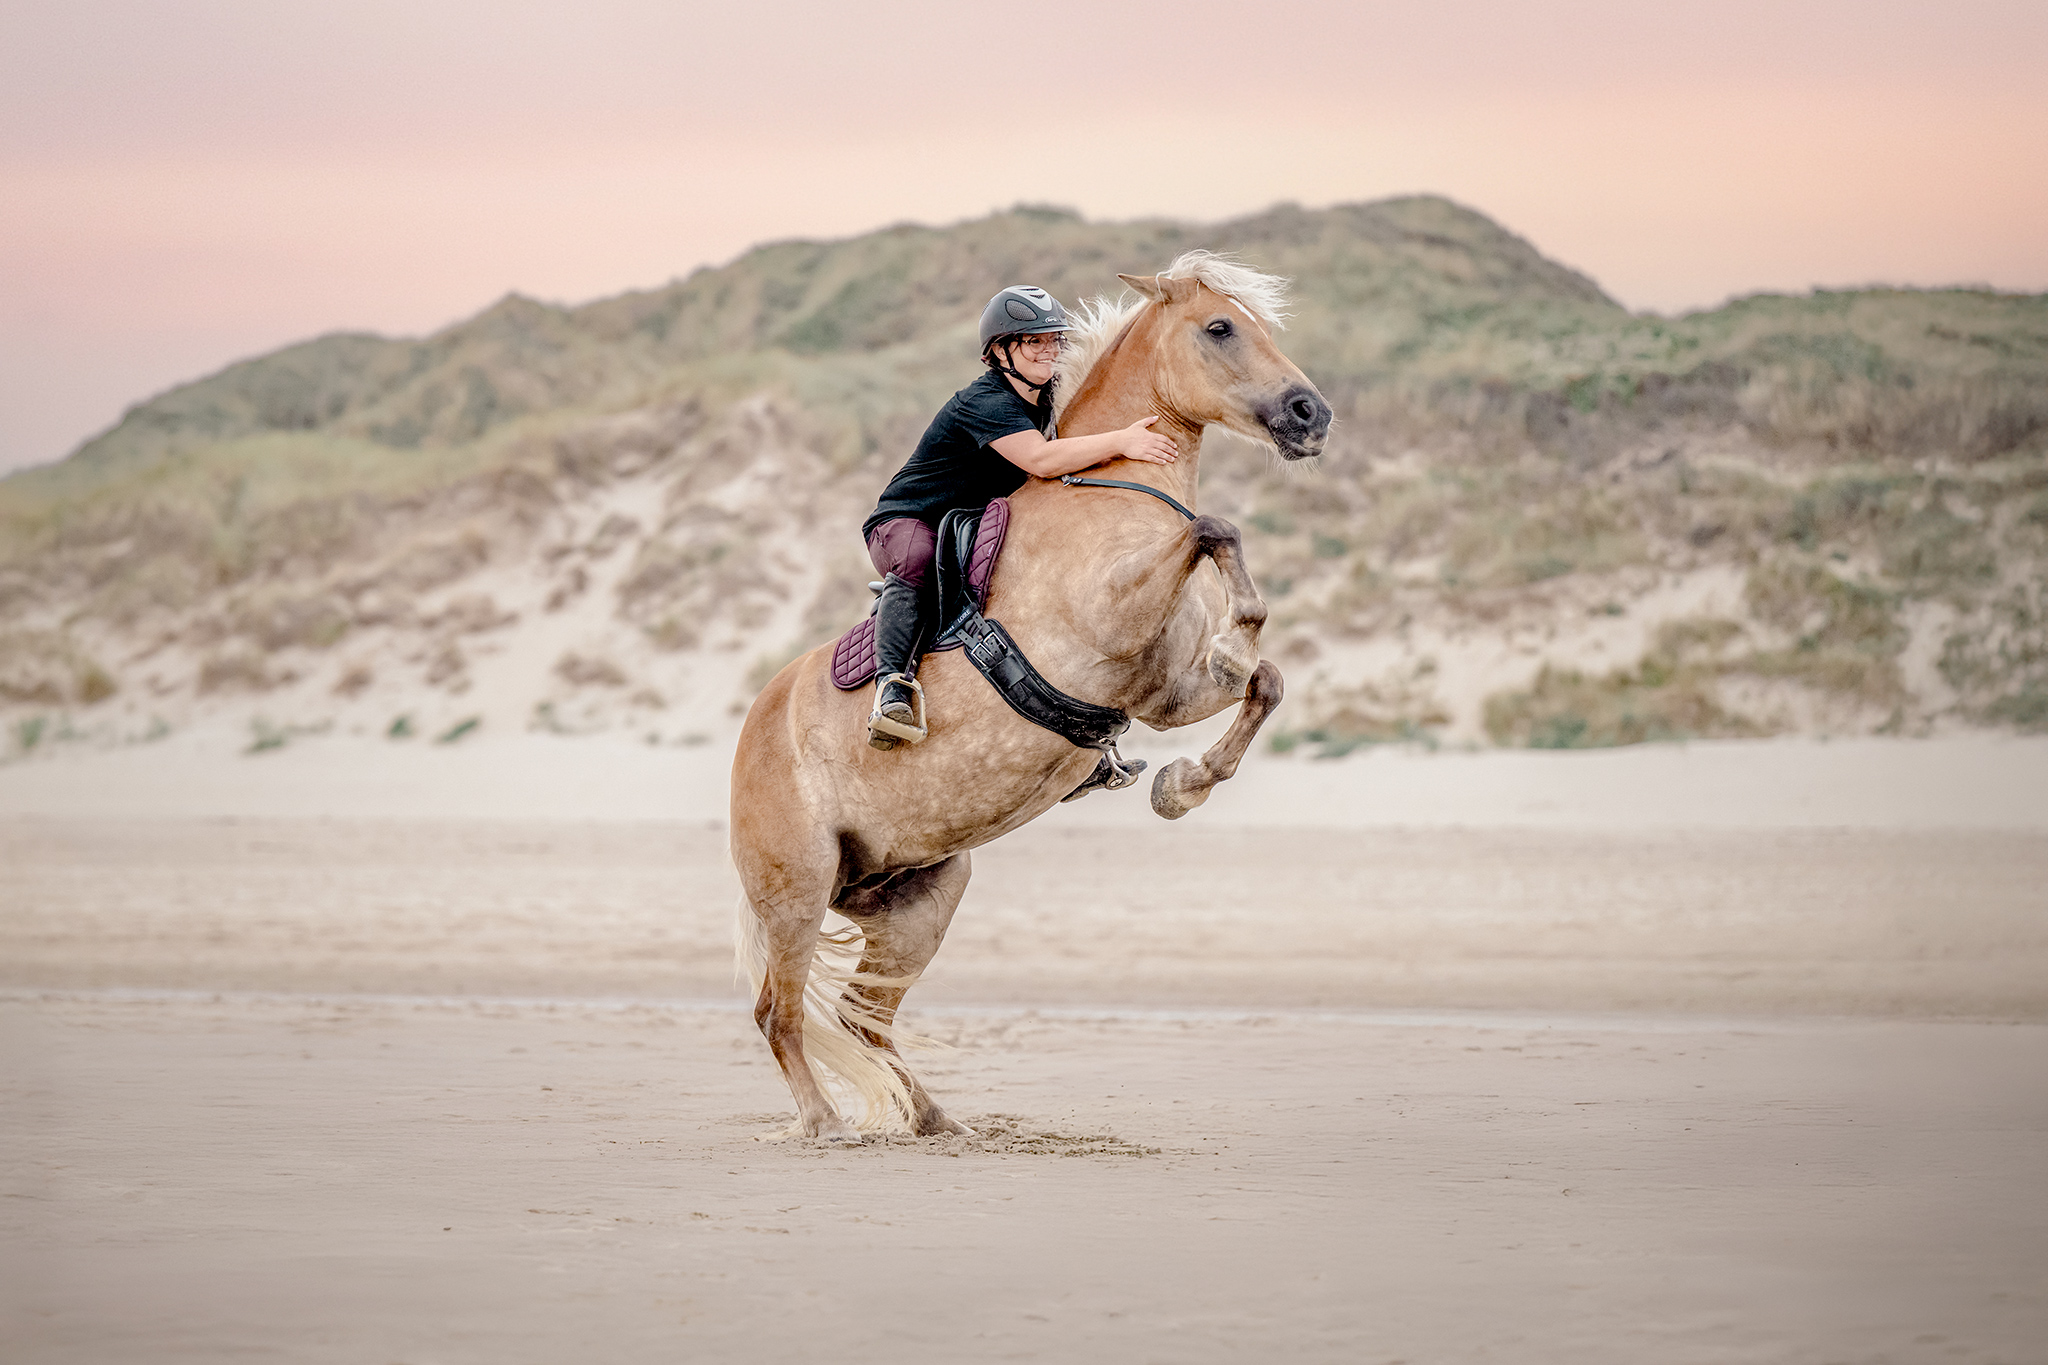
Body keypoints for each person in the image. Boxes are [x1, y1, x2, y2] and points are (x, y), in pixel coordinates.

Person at [860, 284, 1179, 749]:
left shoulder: (1051, 396)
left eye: (1054, 340)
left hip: (972, 525)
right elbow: (1044, 460)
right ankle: (891, 686)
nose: (1048, 351)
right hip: (907, 522)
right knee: (917, 557)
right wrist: (1121, 441)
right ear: (1000, 351)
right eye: (1034, 341)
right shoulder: (983, 401)